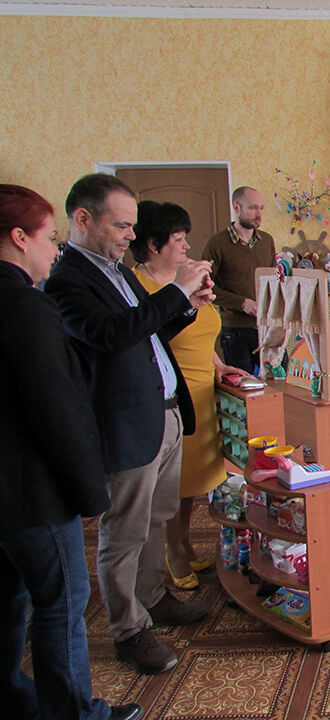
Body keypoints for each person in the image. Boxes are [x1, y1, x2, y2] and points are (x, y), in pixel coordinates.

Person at [45, 174, 214, 675]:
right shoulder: (67, 281)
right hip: (125, 424)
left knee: (157, 519)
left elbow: (145, 331)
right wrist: (175, 292)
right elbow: (111, 334)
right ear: (83, 219)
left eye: (132, 225)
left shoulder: (116, 271)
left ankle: (153, 597)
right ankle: (128, 629)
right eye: (121, 225)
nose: (130, 235)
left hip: (163, 413)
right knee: (125, 534)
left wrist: (186, 308)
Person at [0, 184, 141, 719]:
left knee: (10, 600)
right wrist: (88, 492)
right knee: (60, 604)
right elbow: (56, 409)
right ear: (20, 238)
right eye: (48, 237)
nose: (54, 248)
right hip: (32, 490)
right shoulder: (26, 306)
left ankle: (15, 700)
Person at [131, 201, 250, 589]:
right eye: (178, 239)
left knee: (192, 483)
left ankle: (183, 543)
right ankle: (171, 553)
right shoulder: (141, 287)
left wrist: (218, 366)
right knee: (170, 484)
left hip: (202, 390)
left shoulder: (190, 279)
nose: (186, 246)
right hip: (171, 394)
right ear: (154, 245)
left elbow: (204, 330)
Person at [202, 186, 276, 375]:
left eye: (261, 208)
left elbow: (273, 280)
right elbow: (205, 287)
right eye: (252, 208)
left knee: (278, 381)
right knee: (243, 384)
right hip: (235, 331)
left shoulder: (267, 241)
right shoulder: (217, 244)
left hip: (267, 328)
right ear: (236, 208)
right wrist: (242, 303)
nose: (259, 214)